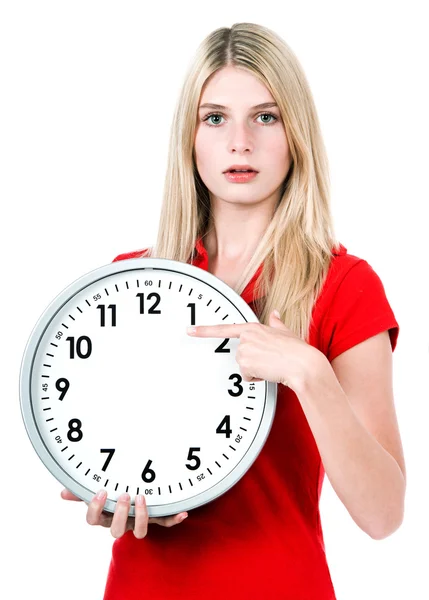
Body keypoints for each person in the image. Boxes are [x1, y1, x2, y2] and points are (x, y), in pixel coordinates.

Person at [61, 22, 406, 599]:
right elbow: (107, 441)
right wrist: (105, 494)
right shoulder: (129, 279)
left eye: (265, 117)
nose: (239, 142)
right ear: (190, 137)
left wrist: (309, 372)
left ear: (296, 133)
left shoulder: (345, 285)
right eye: (215, 118)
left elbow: (383, 515)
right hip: (144, 585)